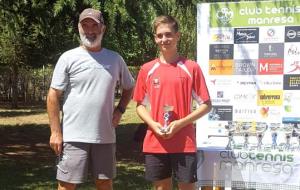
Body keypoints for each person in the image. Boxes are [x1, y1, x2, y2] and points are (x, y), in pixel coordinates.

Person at [47, 8, 135, 190]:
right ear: (79, 28)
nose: (90, 30)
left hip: (105, 136)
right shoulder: (68, 58)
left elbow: (129, 87)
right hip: (73, 136)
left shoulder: (115, 59)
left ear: (103, 28)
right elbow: (53, 95)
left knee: (104, 183)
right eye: (85, 25)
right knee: (66, 185)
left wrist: (120, 110)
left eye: (94, 25)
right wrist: (55, 132)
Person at [133, 15, 212, 190]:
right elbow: (139, 105)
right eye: (159, 35)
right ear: (155, 38)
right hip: (156, 141)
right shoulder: (147, 69)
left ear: (178, 36)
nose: (164, 39)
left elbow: (206, 105)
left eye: (168, 34)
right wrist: (153, 124)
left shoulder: (191, 67)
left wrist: (180, 124)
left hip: (184, 142)